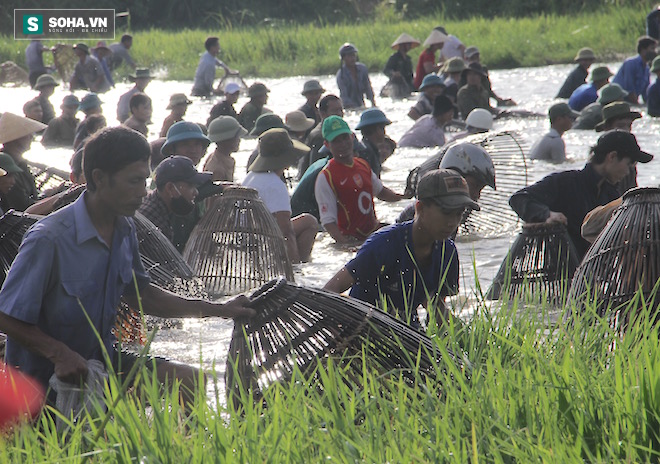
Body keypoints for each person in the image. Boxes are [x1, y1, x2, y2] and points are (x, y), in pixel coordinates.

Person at [0, 127, 254, 408]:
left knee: (189, 380)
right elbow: (6, 317)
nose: (143, 192)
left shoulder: (124, 228)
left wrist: (218, 310)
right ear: (99, 178)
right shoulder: (49, 238)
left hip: (101, 360)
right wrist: (60, 354)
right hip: (43, 378)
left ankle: (178, 450)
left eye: (144, 180)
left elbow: (141, 294)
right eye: (133, 181)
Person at [324, 169, 478, 329]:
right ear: (420, 209)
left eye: (458, 214)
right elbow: (331, 288)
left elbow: (435, 309)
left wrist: (462, 336)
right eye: (446, 212)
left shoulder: (447, 253)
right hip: (362, 329)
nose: (453, 222)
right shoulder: (384, 244)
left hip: (406, 332)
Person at [509, 130, 653, 259]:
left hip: (593, 272)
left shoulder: (611, 195)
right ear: (612, 156)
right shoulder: (564, 183)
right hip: (563, 271)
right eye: (629, 164)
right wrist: (547, 214)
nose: (628, 172)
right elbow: (519, 198)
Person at [315, 116, 411, 243]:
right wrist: (345, 244)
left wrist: (404, 197)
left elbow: (381, 192)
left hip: (372, 233)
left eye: (344, 138)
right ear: (327, 145)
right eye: (336, 141)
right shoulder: (326, 177)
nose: (343, 144)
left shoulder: (363, 164)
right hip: (351, 238)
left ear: (352, 137)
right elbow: (328, 222)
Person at [243, 128, 318, 263]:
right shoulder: (275, 184)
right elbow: (286, 232)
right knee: (310, 222)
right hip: (264, 237)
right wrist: (295, 270)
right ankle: (299, 263)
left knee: (307, 220)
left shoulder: (252, 176)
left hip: (250, 234)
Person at [138, 155, 213, 250]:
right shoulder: (154, 220)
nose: (196, 192)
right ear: (170, 188)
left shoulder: (158, 204)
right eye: (190, 186)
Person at [0, 113, 47, 212]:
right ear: (15, 138)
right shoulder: (5, 166)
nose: (31, 137)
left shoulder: (21, 163)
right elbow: (23, 206)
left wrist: (48, 195)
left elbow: (33, 196)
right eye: (27, 134)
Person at [612, 36, 658, 104]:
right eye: (652, 48)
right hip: (617, 100)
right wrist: (638, 106)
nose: (655, 52)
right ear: (643, 50)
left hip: (630, 101)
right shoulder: (630, 63)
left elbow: (646, 93)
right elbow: (629, 90)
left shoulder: (647, 69)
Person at [204, 116, 247, 182]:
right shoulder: (218, 170)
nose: (239, 140)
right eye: (236, 137)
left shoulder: (224, 158)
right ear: (225, 140)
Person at [354, 108, 394, 177]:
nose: (384, 133)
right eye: (383, 128)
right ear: (378, 130)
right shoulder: (368, 152)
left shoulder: (365, 148)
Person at [336, 43, 376, 109]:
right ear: (343, 58)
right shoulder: (341, 75)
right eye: (349, 56)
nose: (352, 58)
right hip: (348, 107)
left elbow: (368, 87)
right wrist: (355, 108)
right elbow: (344, 96)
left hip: (361, 103)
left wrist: (373, 103)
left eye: (353, 55)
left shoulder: (362, 69)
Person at [382, 33, 420, 97]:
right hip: (396, 84)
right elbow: (386, 70)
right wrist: (393, 73)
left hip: (408, 84)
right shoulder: (394, 58)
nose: (409, 46)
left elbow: (410, 75)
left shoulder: (408, 59)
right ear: (402, 45)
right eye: (408, 44)